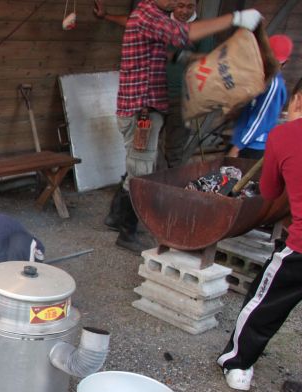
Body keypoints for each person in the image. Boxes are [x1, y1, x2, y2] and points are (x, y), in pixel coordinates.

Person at [103, 0, 263, 252]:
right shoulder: (147, 14)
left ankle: (116, 218)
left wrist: (198, 58)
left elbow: (167, 50)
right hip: (141, 111)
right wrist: (235, 18)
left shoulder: (156, 15)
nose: (179, 3)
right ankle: (127, 232)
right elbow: (184, 33)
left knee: (139, 164)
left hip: (150, 107)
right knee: (140, 169)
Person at [216, 78, 302, 392]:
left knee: (265, 304)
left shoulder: (285, 134)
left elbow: (268, 191)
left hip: (301, 250)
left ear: (295, 100)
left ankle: (237, 364)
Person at [93, 0, 215, 169]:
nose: (184, 11)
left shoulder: (201, 31)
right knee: (147, 147)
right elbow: (132, 21)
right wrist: (106, 16)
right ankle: (153, 182)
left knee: (174, 148)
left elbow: (206, 64)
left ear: (196, 6)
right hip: (153, 99)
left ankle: (169, 186)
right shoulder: (158, 20)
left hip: (181, 99)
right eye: (181, 5)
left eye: (190, 6)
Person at [226, 35, 293, 160]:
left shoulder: (273, 84)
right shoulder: (260, 76)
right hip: (240, 138)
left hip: (252, 146)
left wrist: (237, 147)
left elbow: (260, 120)